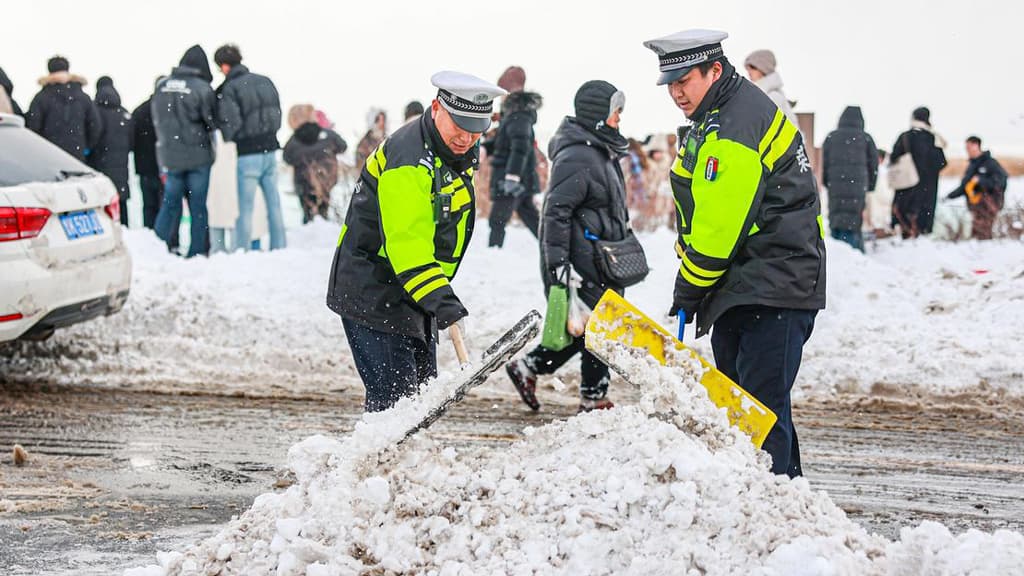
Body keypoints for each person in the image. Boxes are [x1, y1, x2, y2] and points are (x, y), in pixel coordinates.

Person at [643, 30, 826, 478]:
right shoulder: (716, 117)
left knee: (757, 413)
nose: (676, 92)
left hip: (775, 282)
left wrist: (689, 287)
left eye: (685, 80)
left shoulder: (735, 125)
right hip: (750, 282)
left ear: (715, 70)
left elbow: (720, 229)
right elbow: (698, 202)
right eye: (670, 83)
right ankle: (783, 497)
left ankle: (775, 507)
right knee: (747, 408)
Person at [326, 71, 506, 412]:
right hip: (375, 289)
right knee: (396, 406)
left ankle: (407, 463)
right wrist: (444, 302)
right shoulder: (408, 161)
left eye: (476, 130)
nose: (467, 139)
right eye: (460, 126)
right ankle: (376, 463)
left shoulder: (447, 146)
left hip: (411, 291)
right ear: (437, 108)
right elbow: (407, 246)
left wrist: (434, 297)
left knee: (421, 401)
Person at [505, 80, 631, 413]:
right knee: (596, 326)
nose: (619, 117)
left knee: (590, 327)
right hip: (582, 259)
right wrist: (558, 264)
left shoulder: (599, 150)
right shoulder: (578, 155)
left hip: (601, 255)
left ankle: (531, 369)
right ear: (599, 114)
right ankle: (592, 396)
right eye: (615, 111)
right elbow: (555, 214)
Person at [213, 44, 286, 252]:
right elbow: (277, 113)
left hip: (248, 153)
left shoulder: (231, 88)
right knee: (274, 204)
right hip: (270, 150)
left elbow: (230, 121)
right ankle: (279, 247)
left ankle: (242, 250)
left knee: (245, 207)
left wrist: (231, 136)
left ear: (225, 66)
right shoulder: (265, 81)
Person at [152, 45, 217, 258]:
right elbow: (211, 121)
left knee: (169, 204)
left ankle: (157, 246)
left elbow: (158, 120)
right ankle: (197, 251)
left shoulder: (162, 86)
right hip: (198, 156)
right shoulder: (201, 88)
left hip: (170, 156)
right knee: (198, 207)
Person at [487, 66, 542, 247]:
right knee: (533, 220)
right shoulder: (513, 114)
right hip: (520, 179)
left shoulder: (519, 115)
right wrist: (484, 145)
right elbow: (504, 145)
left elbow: (520, 147)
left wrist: (512, 177)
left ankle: (493, 255)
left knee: (497, 220)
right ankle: (555, 248)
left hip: (511, 180)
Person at [822, 106, 878, 252]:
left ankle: (837, 250)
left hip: (835, 186)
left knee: (836, 216)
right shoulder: (865, 138)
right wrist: (870, 186)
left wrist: (827, 182)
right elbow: (874, 165)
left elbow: (824, 164)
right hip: (858, 187)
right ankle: (854, 252)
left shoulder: (831, 137)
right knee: (853, 218)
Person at [26, 56, 101, 162]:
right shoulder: (83, 97)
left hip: (49, 155)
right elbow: (95, 126)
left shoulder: (41, 97)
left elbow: (33, 126)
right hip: (77, 155)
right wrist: (86, 147)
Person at [283, 104, 348, 223]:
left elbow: (287, 158)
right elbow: (343, 146)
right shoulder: (328, 134)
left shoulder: (293, 141)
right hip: (327, 180)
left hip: (304, 183)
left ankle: (309, 228)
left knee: (308, 215)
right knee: (324, 212)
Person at [890, 107, 947, 238]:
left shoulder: (905, 137)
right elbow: (942, 163)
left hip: (906, 188)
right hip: (928, 192)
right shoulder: (934, 139)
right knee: (922, 231)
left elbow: (893, 159)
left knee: (905, 224)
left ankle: (903, 231)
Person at [89, 77, 134, 226]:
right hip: (121, 167)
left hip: (99, 164)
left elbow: (92, 137)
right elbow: (132, 140)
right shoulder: (124, 113)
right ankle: (125, 228)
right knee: (121, 201)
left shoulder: (94, 113)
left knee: (103, 201)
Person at [946, 136, 1008, 240]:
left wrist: (981, 181)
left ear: (976, 146)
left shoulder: (990, 163)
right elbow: (965, 186)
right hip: (976, 207)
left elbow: (1001, 182)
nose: (967, 150)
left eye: (968, 147)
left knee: (983, 236)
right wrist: (949, 197)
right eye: (966, 148)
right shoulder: (972, 165)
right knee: (976, 236)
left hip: (989, 207)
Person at [132, 83, 166, 232]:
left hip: (145, 166)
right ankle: (169, 240)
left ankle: (149, 236)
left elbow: (131, 141)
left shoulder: (139, 111)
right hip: (166, 166)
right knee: (166, 206)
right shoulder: (168, 109)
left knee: (149, 206)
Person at [743, 49, 797, 126]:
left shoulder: (773, 97)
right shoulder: (761, 95)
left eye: (752, 67)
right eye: (747, 68)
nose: (749, 72)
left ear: (763, 68)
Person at [355, 108, 388, 172]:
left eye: (383, 120)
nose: (381, 123)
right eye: (378, 120)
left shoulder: (388, 140)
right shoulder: (364, 143)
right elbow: (360, 168)